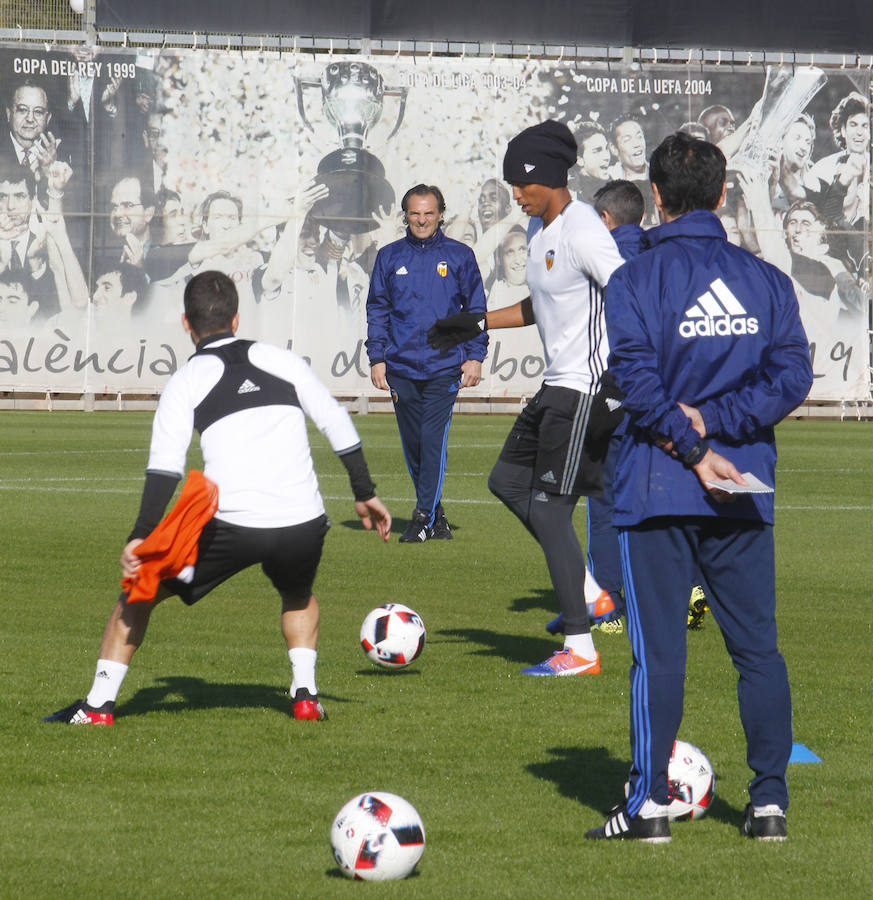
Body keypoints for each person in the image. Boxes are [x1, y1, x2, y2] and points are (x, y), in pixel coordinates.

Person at [585, 132, 812, 842]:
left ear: (655, 196)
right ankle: (768, 805)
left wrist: (693, 436)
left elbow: (635, 382)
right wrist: (719, 430)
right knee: (756, 649)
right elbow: (792, 377)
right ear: (721, 195)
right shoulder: (765, 280)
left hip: (658, 485)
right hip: (740, 485)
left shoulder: (634, 279)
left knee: (658, 653)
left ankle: (649, 806)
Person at [44, 270, 391, 726]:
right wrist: (363, 491)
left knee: (138, 592)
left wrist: (140, 536)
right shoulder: (280, 359)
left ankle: (96, 707)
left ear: (187, 324)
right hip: (303, 521)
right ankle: (305, 696)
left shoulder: (187, 380)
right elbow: (335, 421)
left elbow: (165, 467)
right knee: (298, 595)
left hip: (233, 525)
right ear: (237, 318)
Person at [428, 121, 626, 675]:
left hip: (586, 390)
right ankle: (589, 591)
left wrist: (621, 377)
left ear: (546, 177)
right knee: (507, 482)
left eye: (520, 182)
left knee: (551, 510)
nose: (515, 193)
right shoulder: (542, 236)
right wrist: (474, 323)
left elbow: (628, 292)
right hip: (556, 386)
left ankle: (581, 649)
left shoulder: (584, 229)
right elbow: (541, 306)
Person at [366, 183, 488, 543]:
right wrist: (378, 358)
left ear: (440, 215)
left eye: (428, 213)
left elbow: (476, 311)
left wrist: (475, 357)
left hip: (444, 366)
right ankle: (437, 516)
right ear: (406, 215)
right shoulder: (389, 257)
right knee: (414, 445)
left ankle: (420, 519)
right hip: (400, 367)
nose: (421, 219)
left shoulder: (460, 255)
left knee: (432, 439)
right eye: (415, 213)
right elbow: (377, 310)